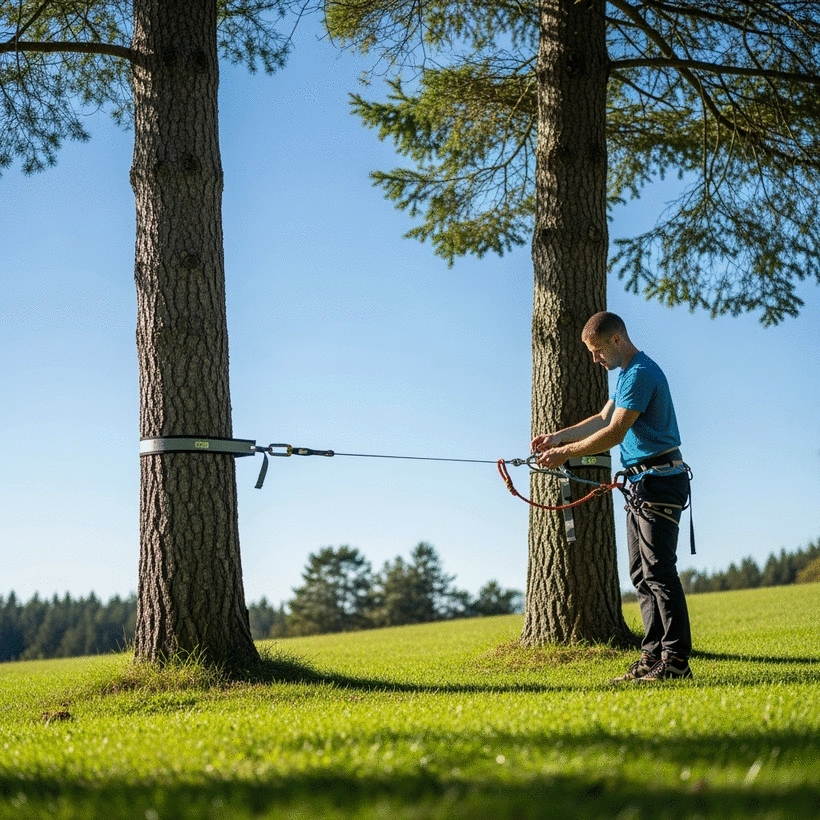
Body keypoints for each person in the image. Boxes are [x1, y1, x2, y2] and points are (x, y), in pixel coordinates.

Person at [531, 311, 693, 682]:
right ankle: (653, 658)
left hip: (659, 481)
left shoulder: (640, 373)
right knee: (641, 575)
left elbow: (615, 434)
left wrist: (566, 454)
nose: (595, 359)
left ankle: (676, 663)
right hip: (640, 484)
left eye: (597, 350)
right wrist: (558, 438)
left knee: (660, 573)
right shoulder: (626, 377)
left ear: (616, 340)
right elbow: (603, 418)